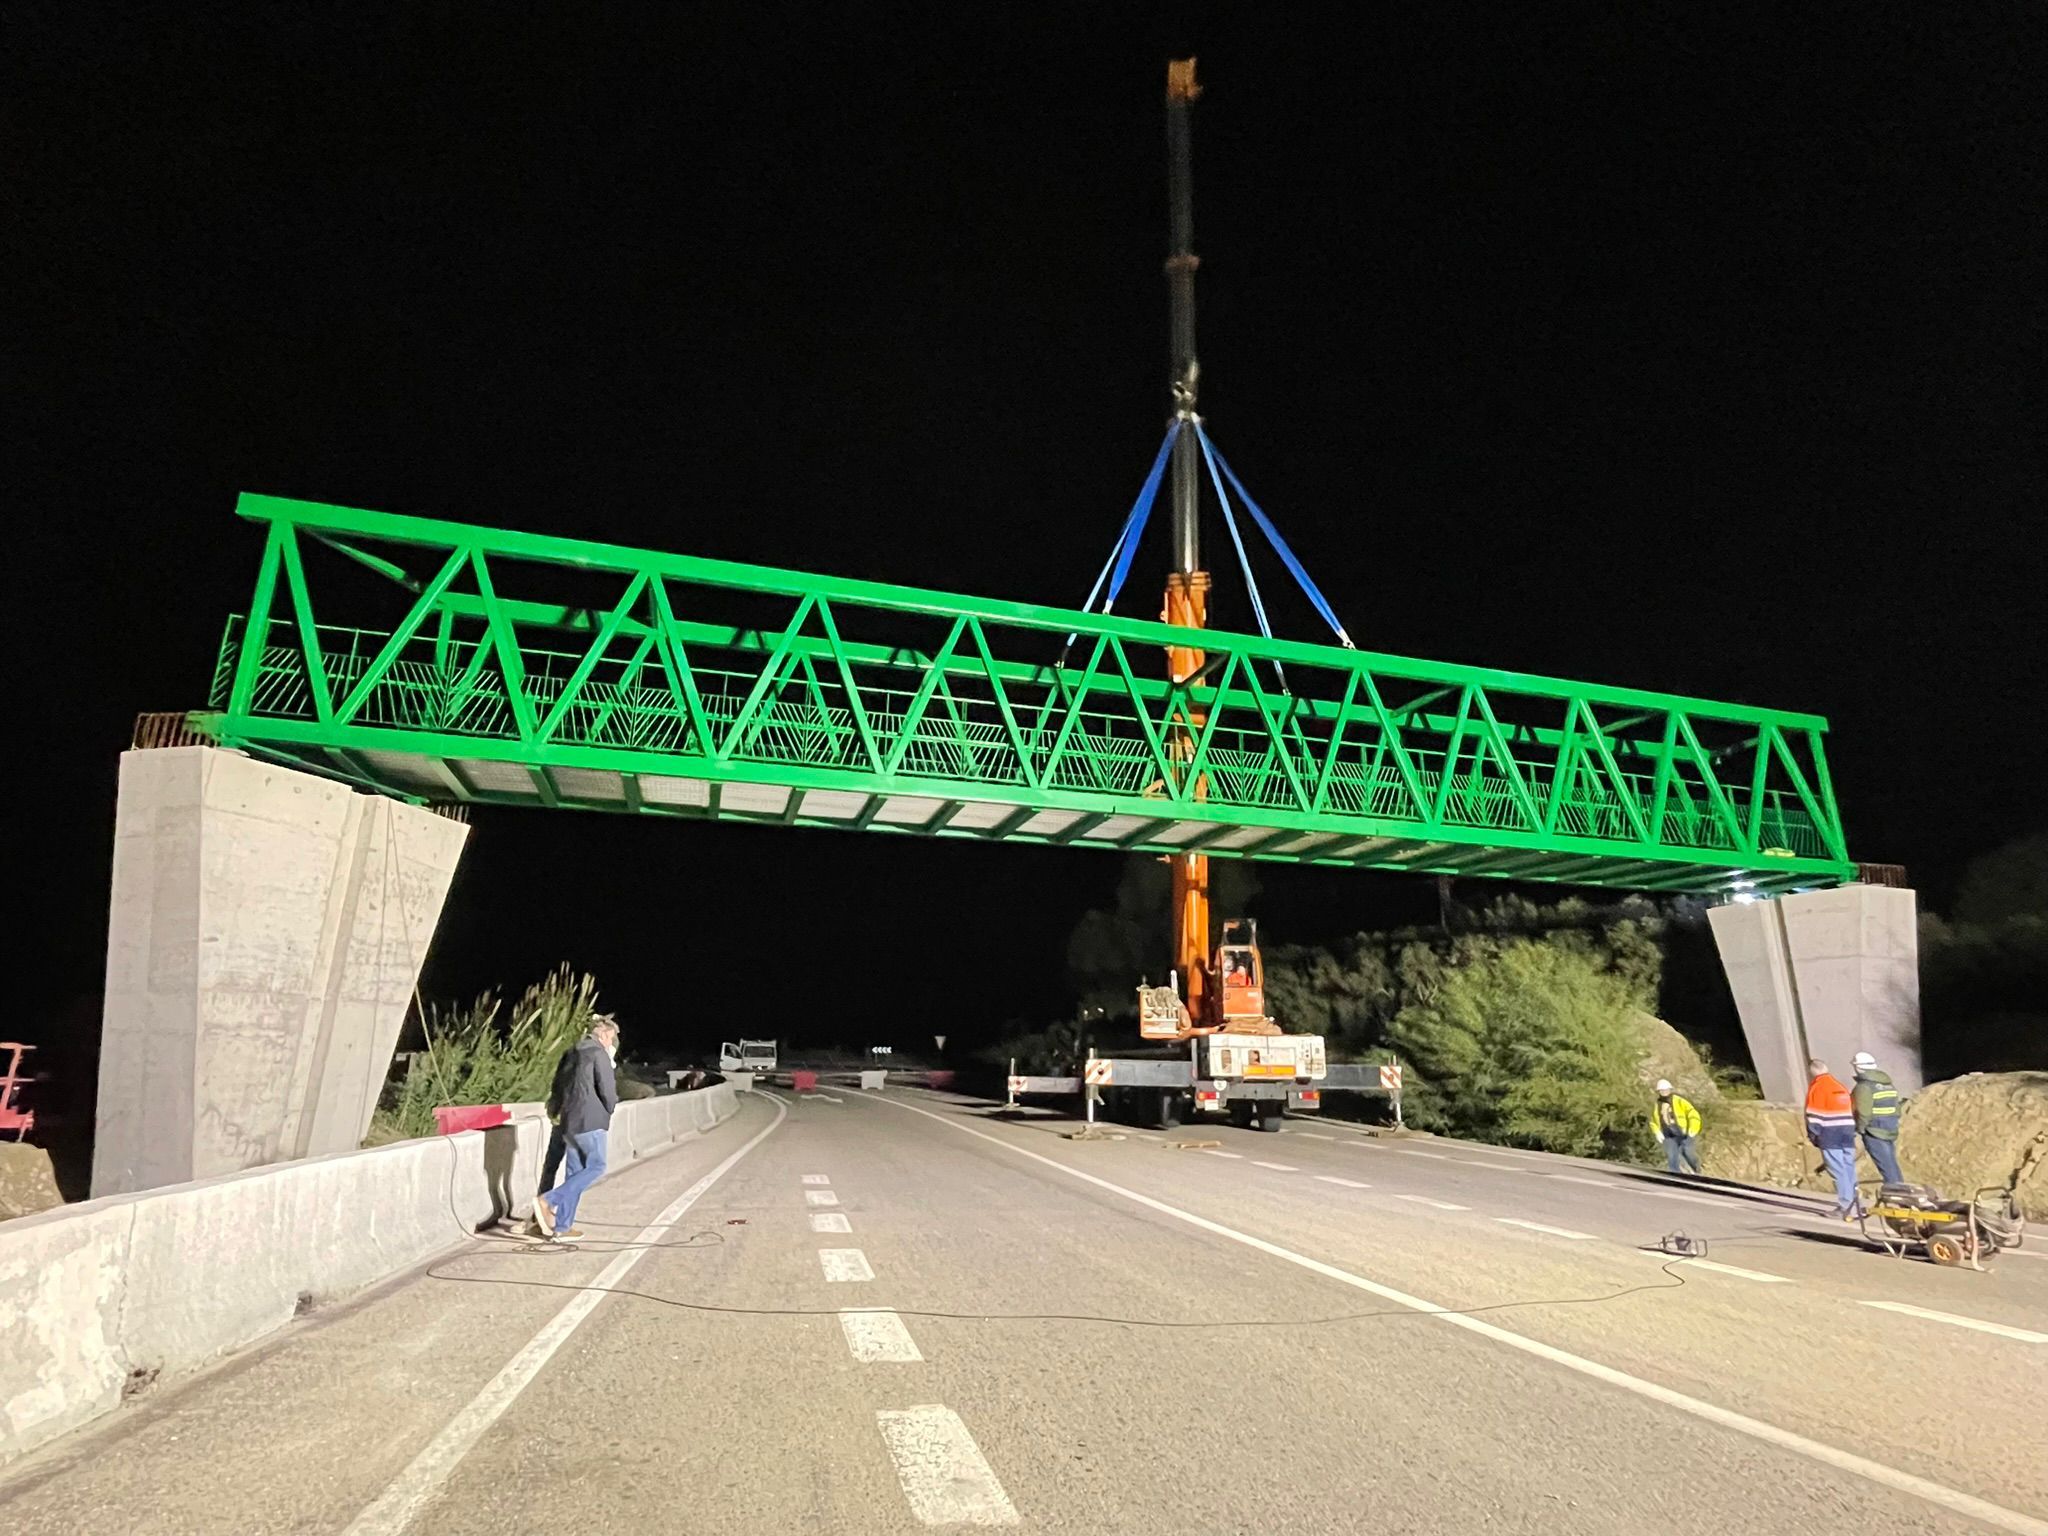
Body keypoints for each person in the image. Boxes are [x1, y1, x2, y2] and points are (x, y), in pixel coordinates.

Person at [533, 1015, 620, 1240]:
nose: (611, 1043)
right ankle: (548, 1200)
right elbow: (607, 1091)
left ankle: (562, 1227)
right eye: (611, 1038)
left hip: (568, 1121)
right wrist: (609, 1110)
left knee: (574, 1173)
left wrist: (557, 1110)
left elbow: (557, 1084)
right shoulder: (598, 1053)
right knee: (597, 1166)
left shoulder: (571, 1053)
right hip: (591, 1121)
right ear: (603, 1034)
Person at [1804, 1057, 1861, 1219]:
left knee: (1838, 1170)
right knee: (1849, 1168)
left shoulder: (1817, 1087)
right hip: (1847, 1132)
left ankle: (1845, 1206)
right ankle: (1856, 1204)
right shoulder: (1839, 1086)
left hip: (1830, 1134)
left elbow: (1813, 1116)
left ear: (1812, 1072)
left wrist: (1814, 1136)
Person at [1851, 1050, 1905, 1186]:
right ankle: (1900, 1189)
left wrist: (1860, 1128)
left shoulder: (1864, 1087)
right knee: (1891, 1163)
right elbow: (1897, 1108)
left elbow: (1864, 1112)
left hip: (1874, 1131)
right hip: (1890, 1128)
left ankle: (1896, 1192)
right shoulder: (1887, 1084)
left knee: (1886, 1166)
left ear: (1858, 1067)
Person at [1650, 1079, 1703, 1174]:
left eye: (1666, 1090)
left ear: (1670, 1090)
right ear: (1658, 1092)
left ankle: (1697, 1171)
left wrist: (1693, 1128)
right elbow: (1653, 1121)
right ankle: (1674, 1175)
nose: (1664, 1092)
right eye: (1662, 1090)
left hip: (1682, 1132)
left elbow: (1692, 1113)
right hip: (1667, 1133)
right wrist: (1657, 1132)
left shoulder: (1679, 1101)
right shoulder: (1657, 1105)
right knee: (1672, 1155)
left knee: (1688, 1153)